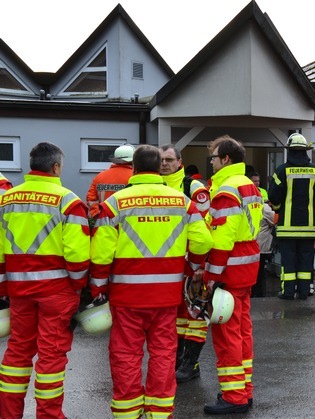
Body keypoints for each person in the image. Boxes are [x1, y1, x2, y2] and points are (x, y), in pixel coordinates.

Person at [89, 144, 213, 418]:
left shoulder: (115, 203)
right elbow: (204, 240)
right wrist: (192, 266)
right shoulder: (182, 202)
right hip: (167, 296)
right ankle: (159, 412)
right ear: (159, 168)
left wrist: (97, 287)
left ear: (133, 168)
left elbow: (100, 254)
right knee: (163, 354)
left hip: (126, 296)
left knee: (126, 355)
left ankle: (127, 412)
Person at [0, 142, 90, 418]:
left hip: (18, 289)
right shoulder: (69, 201)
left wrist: (5, 286)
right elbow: (77, 255)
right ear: (56, 167)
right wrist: (78, 287)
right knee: (51, 357)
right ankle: (49, 415)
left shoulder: (6, 199)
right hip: (57, 291)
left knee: (17, 352)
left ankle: (8, 414)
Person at [202, 135, 262, 415]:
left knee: (226, 336)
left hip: (229, 270)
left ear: (225, 159)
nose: (211, 162)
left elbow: (222, 240)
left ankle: (234, 396)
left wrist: (210, 276)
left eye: (213, 158)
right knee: (242, 331)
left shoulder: (226, 190)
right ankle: (244, 390)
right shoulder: (248, 185)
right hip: (246, 268)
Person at [158, 144, 212, 384]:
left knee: (196, 315)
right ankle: (180, 361)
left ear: (180, 162)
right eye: (161, 160)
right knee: (177, 316)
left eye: (169, 159)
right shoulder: (154, 186)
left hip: (192, 263)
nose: (164, 164)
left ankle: (191, 364)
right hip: (169, 265)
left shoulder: (193, 187)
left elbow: (206, 227)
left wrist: (200, 264)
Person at [268, 133, 315, 300]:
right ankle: (303, 292)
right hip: (308, 228)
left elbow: (273, 197)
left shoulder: (281, 171)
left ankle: (287, 292)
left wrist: (279, 210)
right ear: (305, 151)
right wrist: (312, 209)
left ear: (290, 151)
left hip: (287, 228)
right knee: (305, 262)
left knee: (288, 261)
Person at [85, 143, 134, 219]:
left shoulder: (100, 177)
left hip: (105, 222)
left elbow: (91, 199)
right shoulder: (134, 177)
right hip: (126, 222)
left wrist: (97, 216)